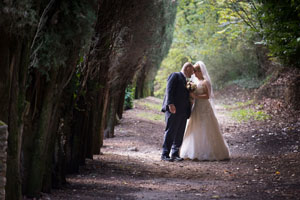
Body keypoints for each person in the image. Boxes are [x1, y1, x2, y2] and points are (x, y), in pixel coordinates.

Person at [180, 61, 230, 161]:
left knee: (206, 127)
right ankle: (194, 150)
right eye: (194, 71)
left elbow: (208, 96)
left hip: (205, 107)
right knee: (195, 126)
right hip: (197, 107)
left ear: (201, 71)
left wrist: (196, 96)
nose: (194, 73)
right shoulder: (194, 83)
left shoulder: (205, 82)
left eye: (196, 71)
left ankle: (209, 151)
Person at [161, 62, 194, 162]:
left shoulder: (186, 80)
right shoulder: (175, 75)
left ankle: (175, 154)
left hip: (183, 111)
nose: (192, 73)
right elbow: (169, 90)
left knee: (180, 133)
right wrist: (170, 104)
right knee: (170, 131)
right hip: (173, 109)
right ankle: (165, 154)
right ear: (187, 68)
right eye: (192, 70)